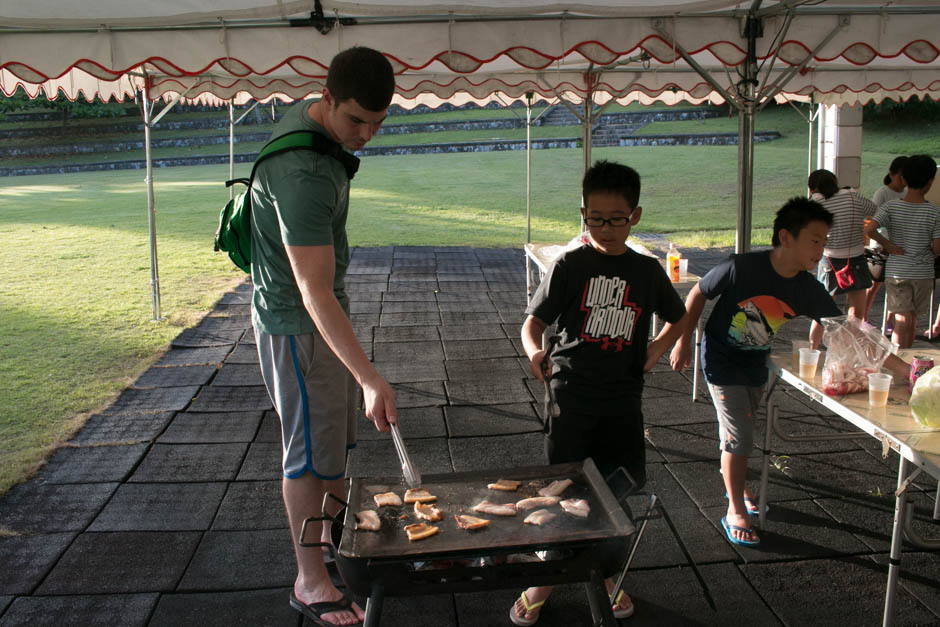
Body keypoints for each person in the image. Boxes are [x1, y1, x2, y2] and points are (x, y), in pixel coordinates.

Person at [250, 47, 397, 626]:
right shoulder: (305, 173)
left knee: (330, 452)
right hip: (298, 326)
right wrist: (369, 377)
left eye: (377, 124)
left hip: (317, 322)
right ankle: (310, 581)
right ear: (327, 97)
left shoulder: (317, 131)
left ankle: (334, 555)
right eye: (355, 120)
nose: (364, 135)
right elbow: (313, 292)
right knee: (307, 459)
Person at [510, 160, 688, 625]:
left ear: (636, 216)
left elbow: (681, 313)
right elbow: (533, 324)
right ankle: (547, 575)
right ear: (582, 213)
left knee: (616, 489)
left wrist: (657, 347)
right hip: (570, 396)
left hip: (622, 400)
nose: (606, 229)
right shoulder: (570, 264)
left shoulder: (646, 271)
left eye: (617, 219)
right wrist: (533, 352)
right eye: (595, 219)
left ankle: (605, 574)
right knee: (561, 488)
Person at [670, 198, 844, 547]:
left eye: (825, 242)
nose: (821, 249)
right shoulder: (741, 267)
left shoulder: (807, 288)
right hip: (720, 360)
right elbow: (697, 294)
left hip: (756, 364)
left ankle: (736, 480)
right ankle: (736, 509)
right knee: (740, 434)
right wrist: (684, 340)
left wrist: (893, 362)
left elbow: (843, 327)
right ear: (786, 237)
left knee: (742, 428)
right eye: (814, 240)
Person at [864, 154, 940, 348]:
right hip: (923, 274)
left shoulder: (891, 207)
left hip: (897, 272)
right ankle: (908, 362)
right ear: (931, 181)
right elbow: (937, 248)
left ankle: (900, 362)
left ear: (904, 179)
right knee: (911, 319)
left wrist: (889, 245)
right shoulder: (935, 212)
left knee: (901, 320)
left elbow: (870, 229)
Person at [806, 169, 878, 347]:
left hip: (829, 259)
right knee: (857, 311)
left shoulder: (815, 203)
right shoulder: (852, 196)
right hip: (855, 258)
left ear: (815, 189)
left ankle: (811, 348)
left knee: (821, 310)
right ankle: (849, 348)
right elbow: (874, 210)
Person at [866, 156, 908, 331]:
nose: (903, 181)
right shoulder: (882, 193)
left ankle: (889, 319)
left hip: (898, 245)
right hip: (881, 245)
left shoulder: (907, 194)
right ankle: (864, 316)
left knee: (896, 284)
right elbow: (871, 219)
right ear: (892, 174)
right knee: (875, 285)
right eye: (901, 176)